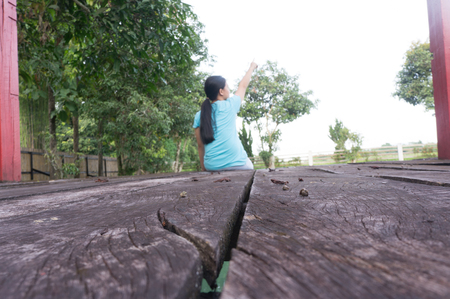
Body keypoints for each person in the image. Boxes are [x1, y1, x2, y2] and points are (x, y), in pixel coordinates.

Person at [193, 62, 258, 171]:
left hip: (212, 167)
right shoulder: (231, 105)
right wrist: (252, 67)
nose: (229, 89)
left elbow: (200, 146)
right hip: (238, 164)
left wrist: (204, 169)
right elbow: (242, 86)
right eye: (227, 86)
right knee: (250, 166)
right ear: (221, 91)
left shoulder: (200, 115)